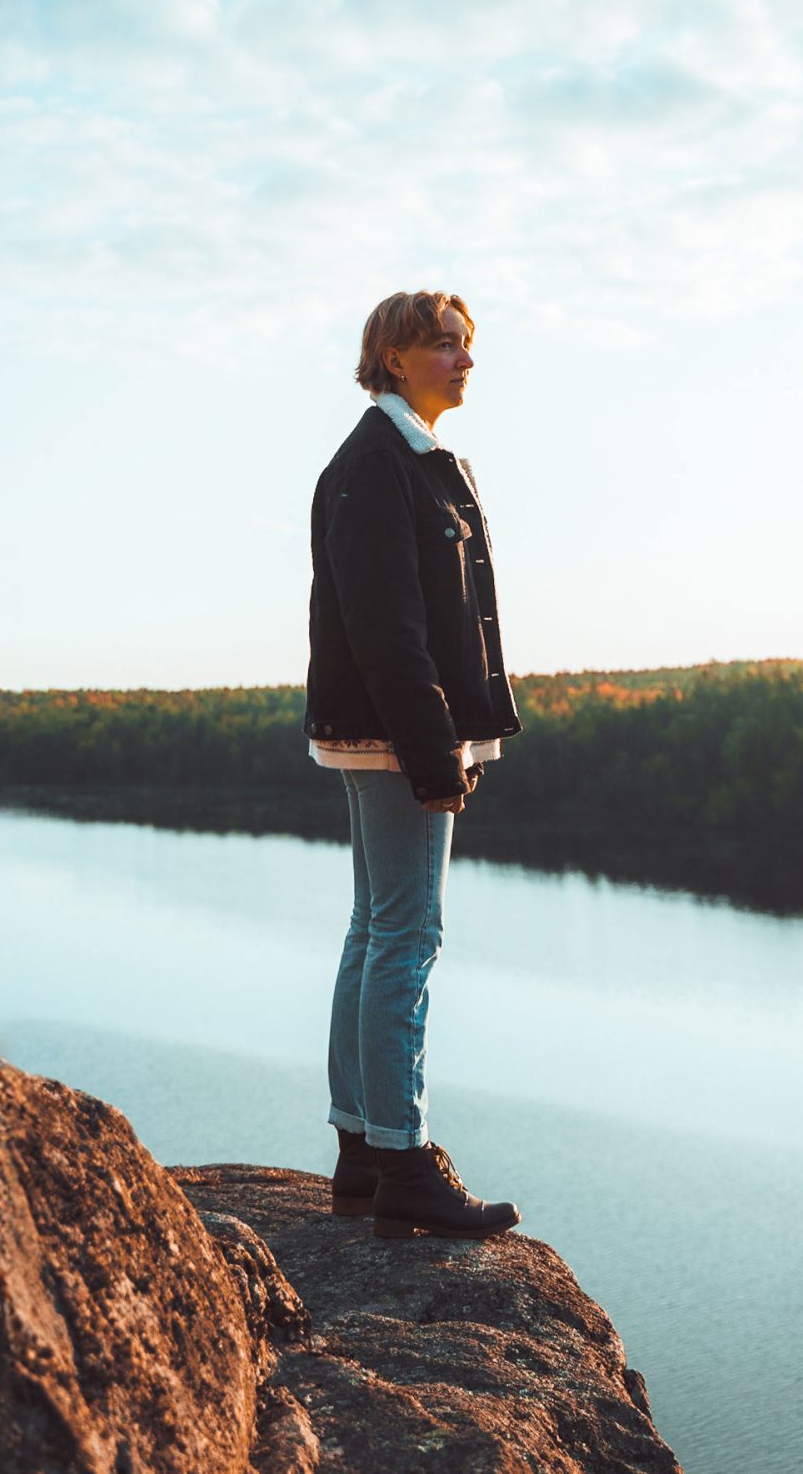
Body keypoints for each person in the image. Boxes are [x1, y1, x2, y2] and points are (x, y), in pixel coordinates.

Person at [303, 289, 523, 1241]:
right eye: (444, 345)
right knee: (407, 935)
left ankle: (361, 1151)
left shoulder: (418, 461)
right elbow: (389, 630)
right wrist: (436, 752)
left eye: (466, 345)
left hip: (391, 732)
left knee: (374, 927)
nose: (464, 359)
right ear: (394, 358)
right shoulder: (377, 465)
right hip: (396, 737)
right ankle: (401, 1157)